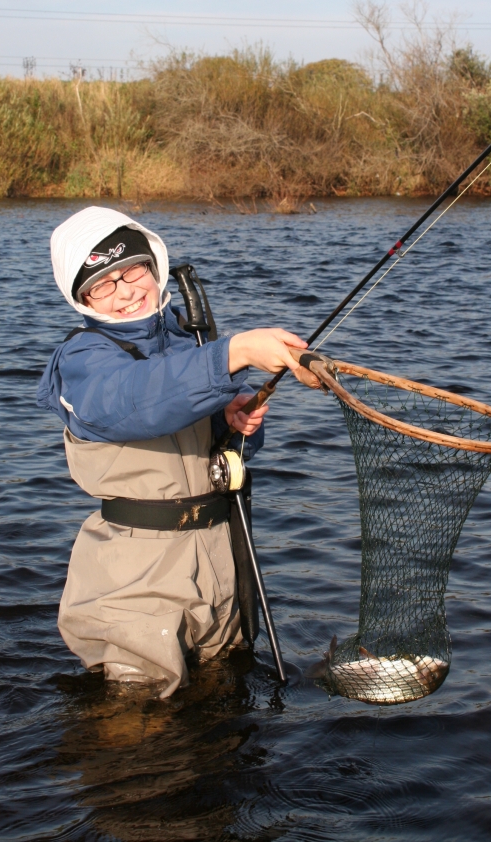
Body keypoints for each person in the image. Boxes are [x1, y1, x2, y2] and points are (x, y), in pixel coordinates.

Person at [38, 205, 310, 697]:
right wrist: (234, 354)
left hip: (221, 560)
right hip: (136, 576)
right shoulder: (81, 358)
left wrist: (238, 421)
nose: (125, 291)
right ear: (81, 298)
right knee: (137, 721)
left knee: (224, 703)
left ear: (154, 266)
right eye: (102, 284)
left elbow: (226, 450)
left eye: (132, 271)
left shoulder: (191, 339)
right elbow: (133, 401)